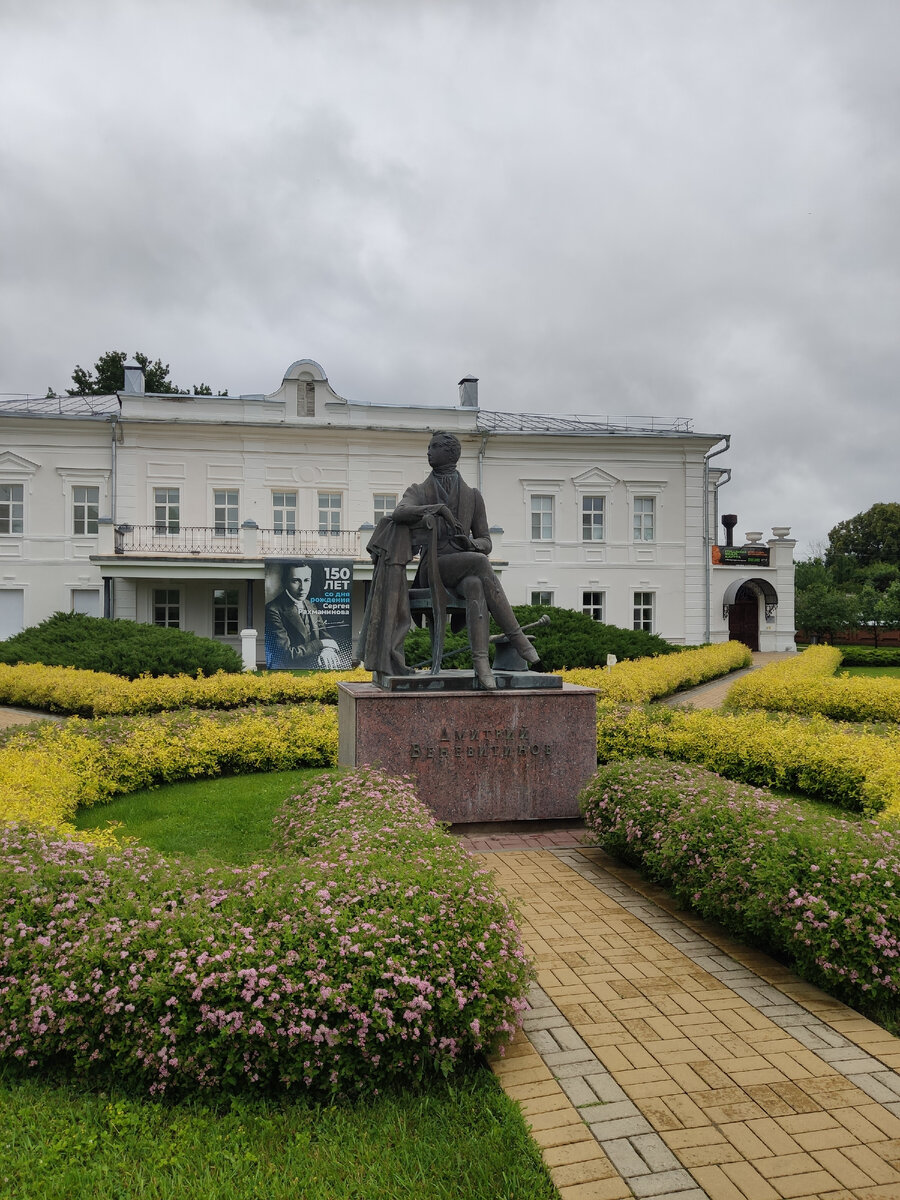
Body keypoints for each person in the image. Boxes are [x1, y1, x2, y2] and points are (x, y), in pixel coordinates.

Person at [357, 431, 541, 688]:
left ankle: (481, 663)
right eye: (429, 447)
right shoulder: (420, 490)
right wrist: (437, 509)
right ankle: (518, 637)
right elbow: (399, 513)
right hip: (433, 567)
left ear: (451, 453)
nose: (428, 452)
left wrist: (473, 544)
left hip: (464, 568)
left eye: (434, 447)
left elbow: (486, 541)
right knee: (480, 563)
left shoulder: (473, 496)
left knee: (476, 582)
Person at [265, 561, 342, 670]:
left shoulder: (310, 605)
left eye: (306, 580)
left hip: (313, 670)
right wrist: (320, 644)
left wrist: (327, 650)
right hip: (287, 672)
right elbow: (285, 655)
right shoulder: (273, 610)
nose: (302, 587)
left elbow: (325, 636)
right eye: (296, 581)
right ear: (285, 582)